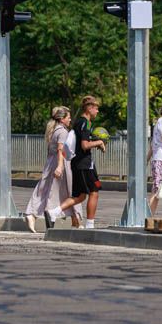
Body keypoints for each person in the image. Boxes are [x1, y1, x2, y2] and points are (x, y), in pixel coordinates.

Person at [52, 96, 105, 229]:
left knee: (80, 196)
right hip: (85, 165)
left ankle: (54, 212)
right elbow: (85, 145)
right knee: (95, 191)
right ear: (90, 108)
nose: (97, 111)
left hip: (76, 163)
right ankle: (90, 225)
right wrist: (99, 142)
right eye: (96, 108)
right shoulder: (85, 123)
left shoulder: (78, 122)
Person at [24, 106, 75, 233]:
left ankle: (32, 214)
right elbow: (60, 150)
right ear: (62, 119)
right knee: (68, 192)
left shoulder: (53, 130)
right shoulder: (63, 131)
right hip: (58, 163)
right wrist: (60, 166)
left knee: (43, 190)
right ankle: (75, 220)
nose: (70, 120)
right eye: (68, 117)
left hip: (50, 163)